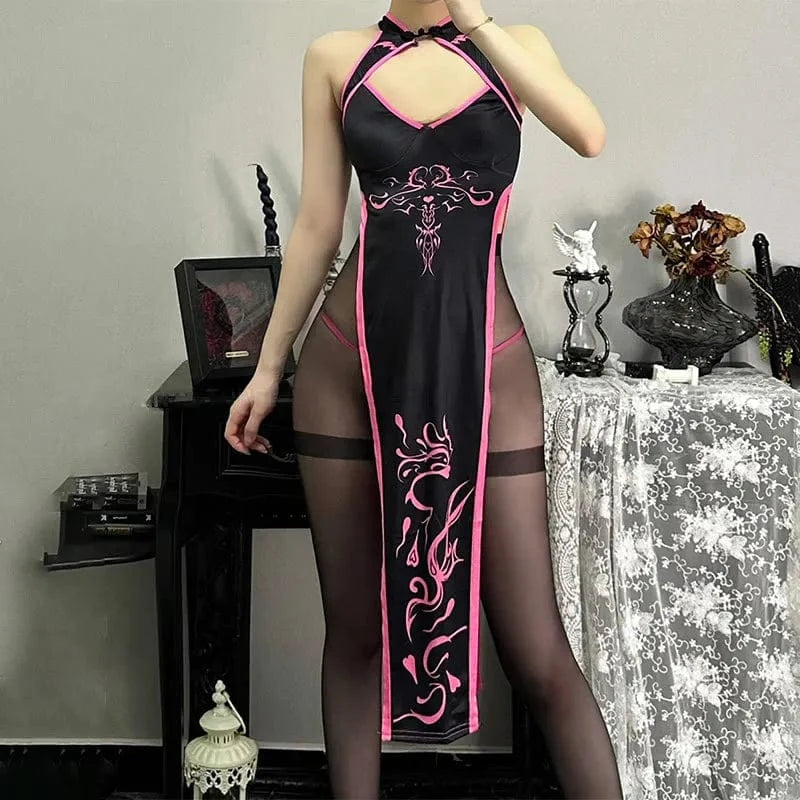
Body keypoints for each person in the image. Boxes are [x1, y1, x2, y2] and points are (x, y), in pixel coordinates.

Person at [225, 1, 623, 797]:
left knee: (537, 647)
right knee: (355, 634)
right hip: (348, 364)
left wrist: (475, 20)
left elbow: (588, 134)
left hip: (488, 361)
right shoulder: (335, 57)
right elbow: (317, 225)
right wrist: (268, 369)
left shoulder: (513, 46)